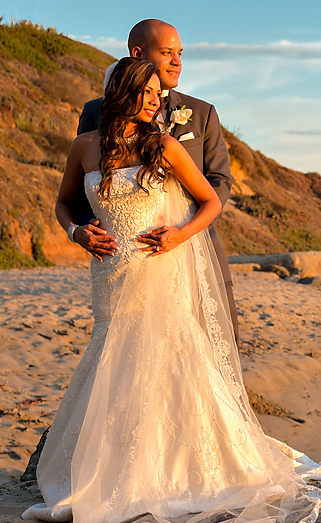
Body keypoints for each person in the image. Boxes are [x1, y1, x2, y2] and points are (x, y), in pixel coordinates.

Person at [21, 58, 321, 523]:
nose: (157, 100)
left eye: (160, 93)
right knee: (116, 359)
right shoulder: (85, 147)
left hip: (162, 271)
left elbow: (209, 201)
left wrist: (178, 235)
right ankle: (118, 469)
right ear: (121, 92)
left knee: (168, 360)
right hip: (111, 277)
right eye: (148, 91)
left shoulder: (164, 146)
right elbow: (65, 204)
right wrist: (75, 233)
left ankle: (166, 469)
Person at [72, 19, 239, 345]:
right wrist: (84, 229)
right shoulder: (96, 112)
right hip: (125, 264)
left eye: (180, 53)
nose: (177, 62)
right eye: (167, 52)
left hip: (194, 247)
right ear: (138, 53)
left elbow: (219, 181)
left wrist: (182, 230)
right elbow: (85, 183)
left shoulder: (201, 112)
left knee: (213, 349)